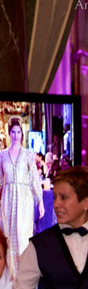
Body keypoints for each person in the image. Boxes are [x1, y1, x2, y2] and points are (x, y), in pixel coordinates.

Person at [0, 116, 45, 277]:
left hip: (24, 198)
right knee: (8, 235)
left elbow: (34, 179)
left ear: (22, 133)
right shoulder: (2, 155)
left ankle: (24, 274)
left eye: (19, 132)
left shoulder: (28, 154)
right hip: (8, 198)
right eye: (13, 132)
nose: (16, 135)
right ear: (9, 132)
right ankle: (10, 274)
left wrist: (40, 201)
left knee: (22, 235)